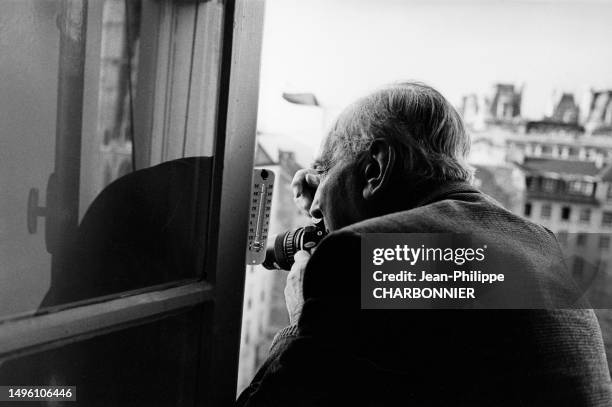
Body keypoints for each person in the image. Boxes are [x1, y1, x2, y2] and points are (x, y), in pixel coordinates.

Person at [236, 83, 612, 406]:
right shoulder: (537, 244)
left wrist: (302, 320)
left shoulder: (361, 256)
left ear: (374, 169)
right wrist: (337, 187)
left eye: (324, 170)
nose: (314, 206)